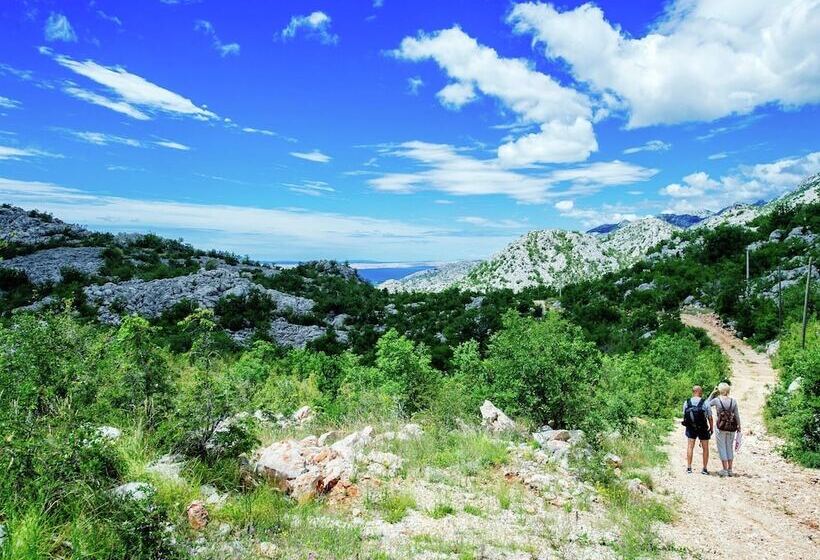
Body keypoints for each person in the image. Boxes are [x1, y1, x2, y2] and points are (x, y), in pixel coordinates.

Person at [710, 382, 741, 477]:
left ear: (719, 390)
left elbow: (706, 404)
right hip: (731, 427)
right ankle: (730, 469)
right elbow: (736, 414)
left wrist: (712, 393)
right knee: (729, 447)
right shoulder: (733, 401)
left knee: (722, 447)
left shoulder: (716, 400)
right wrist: (739, 426)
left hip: (721, 427)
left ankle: (724, 469)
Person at [682, 385, 714, 474]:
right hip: (703, 427)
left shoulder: (687, 402)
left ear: (693, 392)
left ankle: (689, 468)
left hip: (691, 427)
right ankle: (704, 468)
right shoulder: (705, 402)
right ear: (700, 392)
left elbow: (684, 415)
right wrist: (711, 428)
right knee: (705, 448)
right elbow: (710, 417)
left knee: (690, 446)